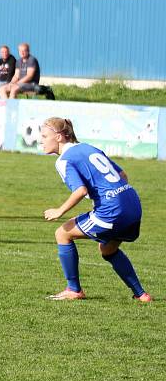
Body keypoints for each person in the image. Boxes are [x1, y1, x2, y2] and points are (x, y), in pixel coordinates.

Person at [40, 117, 152, 302]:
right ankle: (141, 294)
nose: (41, 140)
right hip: (133, 204)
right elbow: (122, 175)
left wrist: (59, 211)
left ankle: (73, 289)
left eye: (44, 136)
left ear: (59, 137)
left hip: (112, 210)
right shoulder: (88, 148)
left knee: (62, 233)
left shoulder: (63, 160)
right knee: (107, 249)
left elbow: (80, 190)